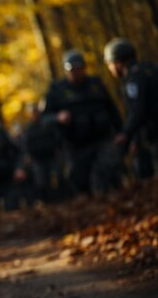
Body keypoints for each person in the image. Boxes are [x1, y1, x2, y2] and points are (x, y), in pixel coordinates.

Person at [41, 49, 123, 195]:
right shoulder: (56, 91)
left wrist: (121, 132)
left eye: (78, 69)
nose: (76, 73)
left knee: (108, 170)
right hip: (75, 146)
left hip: (102, 139)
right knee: (79, 181)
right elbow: (44, 119)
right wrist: (58, 118)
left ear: (84, 68)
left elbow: (112, 109)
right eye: (72, 70)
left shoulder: (96, 84)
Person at [104, 38, 158, 179]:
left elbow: (138, 111)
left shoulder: (134, 79)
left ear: (117, 63)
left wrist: (126, 134)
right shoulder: (151, 68)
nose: (110, 68)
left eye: (110, 64)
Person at [22, 102, 64, 202]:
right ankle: (46, 201)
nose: (34, 114)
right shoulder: (28, 128)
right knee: (41, 182)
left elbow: (57, 137)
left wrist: (58, 150)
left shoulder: (47, 123)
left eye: (35, 112)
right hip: (38, 159)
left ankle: (61, 199)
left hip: (52, 156)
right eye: (32, 113)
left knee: (57, 177)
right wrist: (28, 156)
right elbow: (25, 145)